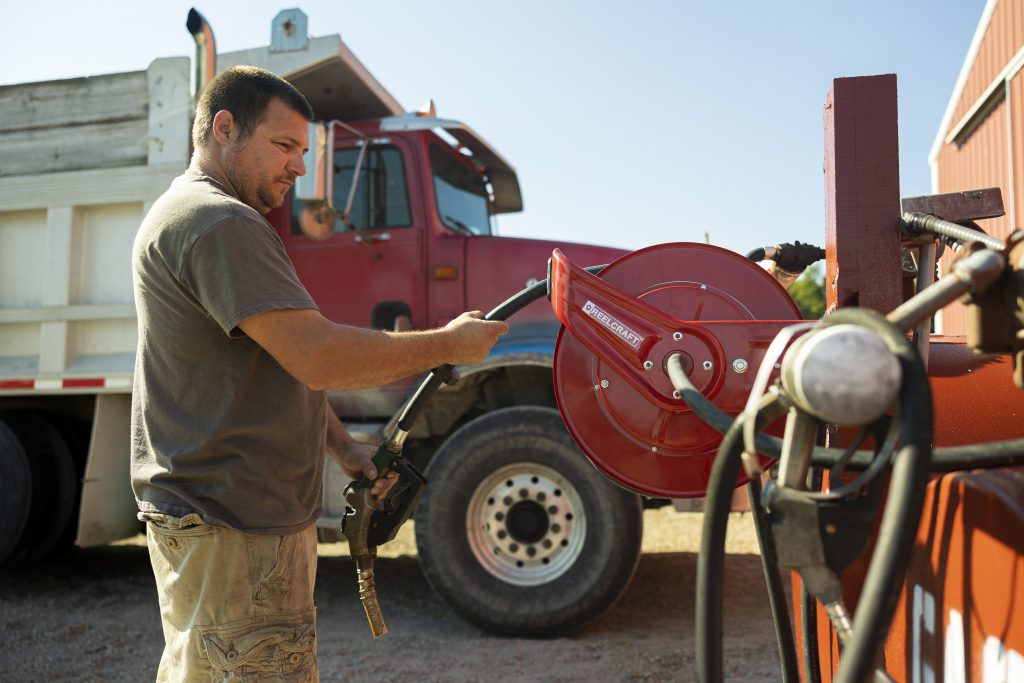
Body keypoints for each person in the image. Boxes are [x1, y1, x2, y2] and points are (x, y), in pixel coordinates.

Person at [130, 65, 508, 682]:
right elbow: (318, 355)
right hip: (235, 527)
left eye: (304, 152)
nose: (299, 168)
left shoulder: (201, 213)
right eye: (283, 146)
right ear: (223, 128)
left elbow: (280, 364)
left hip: (228, 522)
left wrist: (345, 448)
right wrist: (448, 343)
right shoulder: (219, 221)